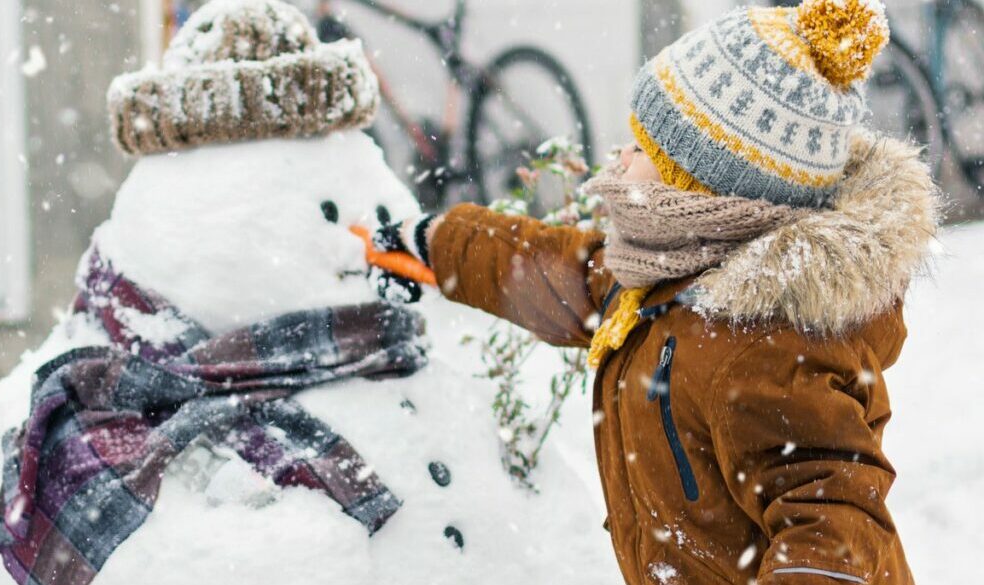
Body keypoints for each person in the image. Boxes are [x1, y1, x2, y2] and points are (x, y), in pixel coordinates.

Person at [372, 0, 940, 582]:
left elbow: (832, 517)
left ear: (704, 185)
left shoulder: (764, 344)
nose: (620, 156)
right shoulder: (667, 277)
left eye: (643, 149)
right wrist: (440, 243)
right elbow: (564, 273)